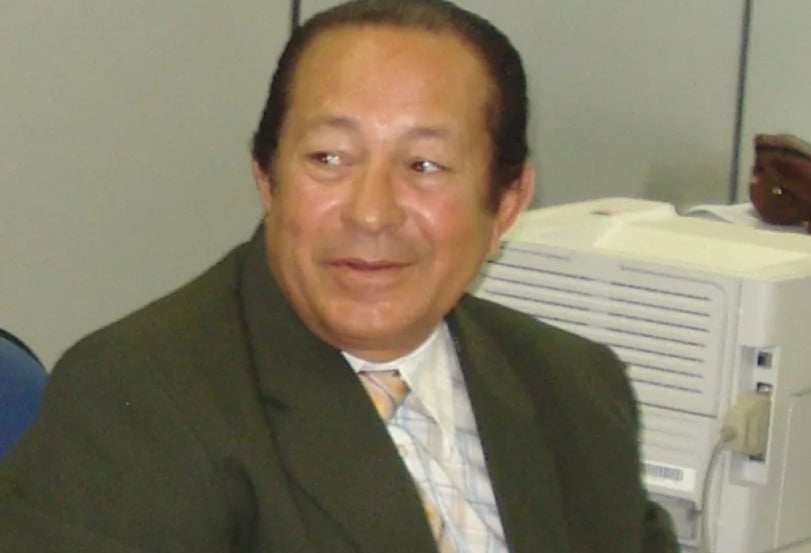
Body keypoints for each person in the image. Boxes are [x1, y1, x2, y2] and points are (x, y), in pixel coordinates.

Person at [0, 1, 679, 551]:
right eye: (328, 158)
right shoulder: (142, 398)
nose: (371, 212)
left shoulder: (573, 388)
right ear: (267, 178)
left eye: (424, 166)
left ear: (507, 202)